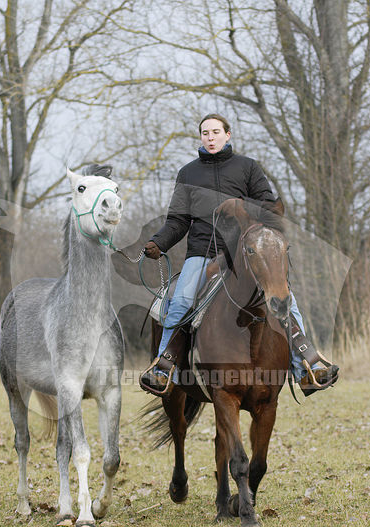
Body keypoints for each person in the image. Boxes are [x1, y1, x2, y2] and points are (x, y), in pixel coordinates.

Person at [141, 113, 338, 395]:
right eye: (205, 133)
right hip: (202, 252)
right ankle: (164, 367)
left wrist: (240, 204)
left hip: (245, 253)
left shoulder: (247, 167)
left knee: (286, 301)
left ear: (227, 134)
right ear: (200, 137)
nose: (210, 137)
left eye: (216, 132)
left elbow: (269, 207)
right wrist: (159, 242)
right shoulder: (187, 173)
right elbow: (178, 220)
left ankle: (306, 366)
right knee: (180, 301)